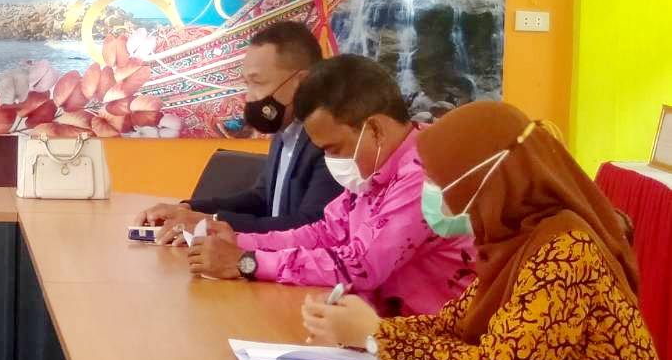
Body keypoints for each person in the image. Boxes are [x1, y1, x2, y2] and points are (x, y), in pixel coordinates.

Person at [303, 102, 672, 360]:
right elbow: (453, 324)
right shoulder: (515, 239)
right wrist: (357, 328)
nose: (431, 193)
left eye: (440, 180)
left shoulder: (565, 250)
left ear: (484, 181)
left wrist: (377, 337)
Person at [189, 54, 475, 315]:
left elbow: (361, 265)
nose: (332, 161)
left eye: (335, 149)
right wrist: (239, 241)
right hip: (376, 328)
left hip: (428, 342)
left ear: (374, 129)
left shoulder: (424, 174)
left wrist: (247, 262)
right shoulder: (375, 168)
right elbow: (327, 232)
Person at [133, 21, 341, 241]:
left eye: (258, 82)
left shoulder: (331, 142)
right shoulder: (285, 131)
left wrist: (211, 223)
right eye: (247, 84)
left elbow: (309, 226)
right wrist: (189, 209)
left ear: (302, 82)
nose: (249, 97)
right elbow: (262, 198)